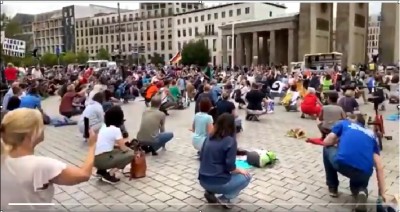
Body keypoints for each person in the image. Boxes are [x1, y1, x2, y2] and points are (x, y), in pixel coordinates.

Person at [1, 108, 97, 210]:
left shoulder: (3, 159)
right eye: (41, 124)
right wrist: (92, 146)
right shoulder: (41, 165)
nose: (44, 127)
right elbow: (84, 174)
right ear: (31, 133)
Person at [322, 115, 386, 212]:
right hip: (364, 171)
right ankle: (361, 192)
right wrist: (382, 194)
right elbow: (379, 167)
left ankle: (333, 187)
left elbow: (326, 142)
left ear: (352, 120)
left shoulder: (344, 124)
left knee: (326, 149)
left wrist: (336, 142)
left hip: (343, 163)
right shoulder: (371, 135)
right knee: (359, 184)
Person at [198, 113, 251, 209]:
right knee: (247, 176)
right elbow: (230, 166)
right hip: (218, 181)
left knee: (220, 171)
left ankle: (209, 192)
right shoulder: (230, 141)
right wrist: (239, 170)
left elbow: (201, 157)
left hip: (202, 180)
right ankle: (226, 198)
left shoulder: (208, 137)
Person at [94, 106, 134, 184]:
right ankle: (109, 174)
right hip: (102, 160)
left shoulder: (104, 126)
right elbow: (124, 148)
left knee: (116, 151)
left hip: (95, 159)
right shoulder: (116, 130)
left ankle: (101, 171)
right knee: (131, 154)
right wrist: (131, 149)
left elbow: (107, 144)